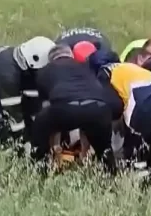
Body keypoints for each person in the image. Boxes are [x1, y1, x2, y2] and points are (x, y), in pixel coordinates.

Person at [31, 44, 118, 173]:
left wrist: (54, 145)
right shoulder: (86, 67)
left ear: (51, 59)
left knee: (40, 123)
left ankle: (40, 168)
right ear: (71, 56)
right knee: (104, 148)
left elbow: (47, 107)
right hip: (100, 108)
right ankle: (111, 176)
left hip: (67, 108)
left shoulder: (44, 71)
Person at [89, 49, 151, 167]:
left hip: (143, 105)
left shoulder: (105, 72)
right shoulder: (129, 67)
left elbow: (114, 107)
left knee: (133, 158)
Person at [0, 36, 55, 147]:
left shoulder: (25, 62)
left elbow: (33, 103)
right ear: (34, 61)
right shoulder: (8, 75)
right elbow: (13, 114)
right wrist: (24, 142)